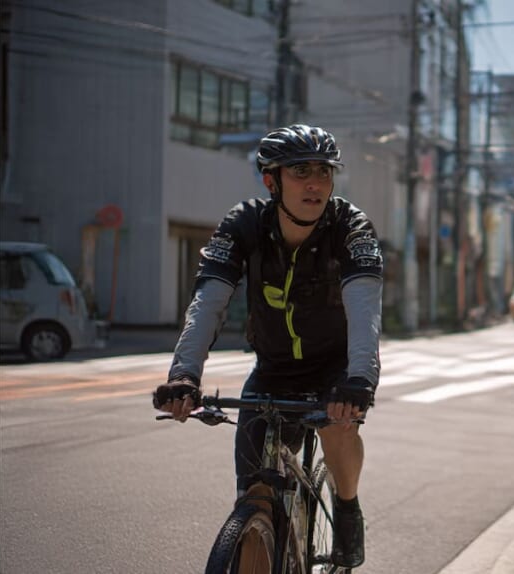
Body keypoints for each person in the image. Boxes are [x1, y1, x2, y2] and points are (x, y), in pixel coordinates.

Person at [152, 124, 382, 569]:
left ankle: (347, 507)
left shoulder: (349, 226)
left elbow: (364, 308)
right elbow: (208, 302)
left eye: (324, 171)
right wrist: (184, 375)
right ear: (271, 182)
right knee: (254, 496)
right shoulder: (245, 224)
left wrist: (359, 379)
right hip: (273, 368)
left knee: (338, 429)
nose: (315, 183)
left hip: (336, 369)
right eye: (300, 172)